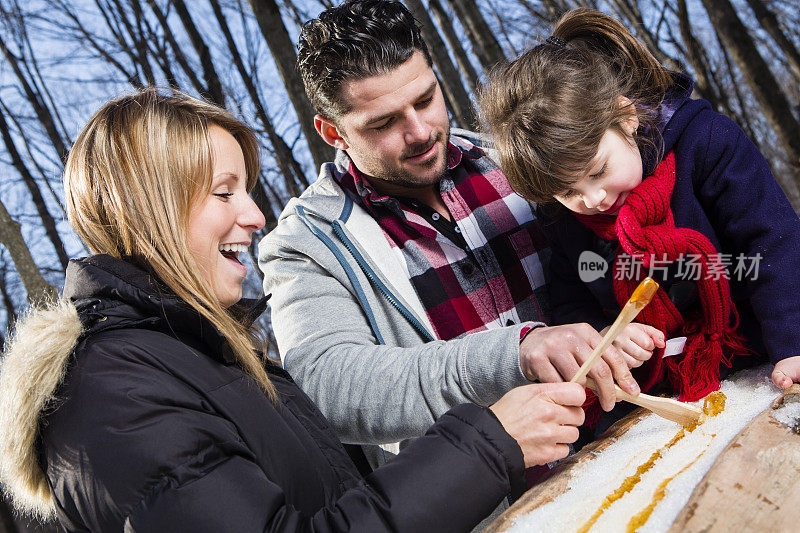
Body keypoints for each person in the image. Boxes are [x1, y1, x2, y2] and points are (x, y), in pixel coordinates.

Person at [0, 89, 588, 532]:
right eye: (224, 192)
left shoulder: (196, 356)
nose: (255, 216)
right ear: (147, 207)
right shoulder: (113, 393)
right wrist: (489, 442)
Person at [258, 0, 645, 481]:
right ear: (332, 132)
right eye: (383, 123)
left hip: (633, 442)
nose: (419, 132)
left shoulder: (517, 159)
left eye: (424, 99)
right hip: (496, 503)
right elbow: (331, 386)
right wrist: (514, 354)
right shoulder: (306, 243)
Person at [478, 7, 800, 424]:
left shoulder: (707, 142)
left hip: (760, 351)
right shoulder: (562, 220)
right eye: (567, 191)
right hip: (665, 389)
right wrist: (609, 337)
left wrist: (793, 342)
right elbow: (572, 299)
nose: (592, 199)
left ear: (627, 117)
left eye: (597, 171)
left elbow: (773, 241)